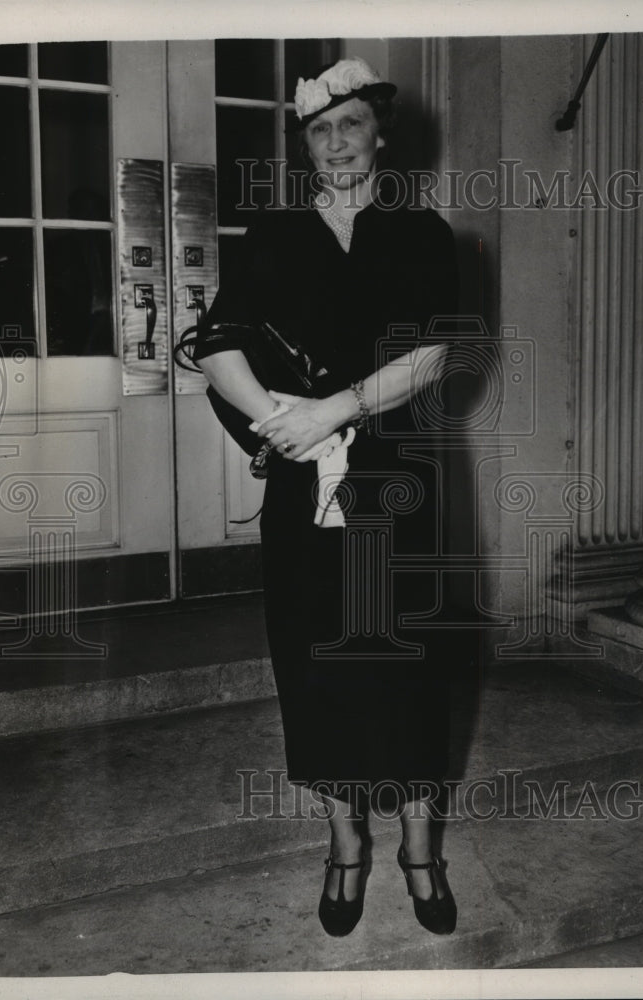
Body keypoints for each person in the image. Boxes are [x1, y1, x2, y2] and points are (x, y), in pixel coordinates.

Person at [194, 56, 459, 937]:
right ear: (305, 146)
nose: (337, 142)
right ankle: (346, 845)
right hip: (307, 483)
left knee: (413, 659)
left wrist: (338, 408)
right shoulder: (272, 236)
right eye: (319, 129)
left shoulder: (422, 233)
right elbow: (217, 343)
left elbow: (433, 356)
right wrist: (284, 421)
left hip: (400, 478)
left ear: (380, 132)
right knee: (317, 663)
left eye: (351, 124)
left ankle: (421, 848)